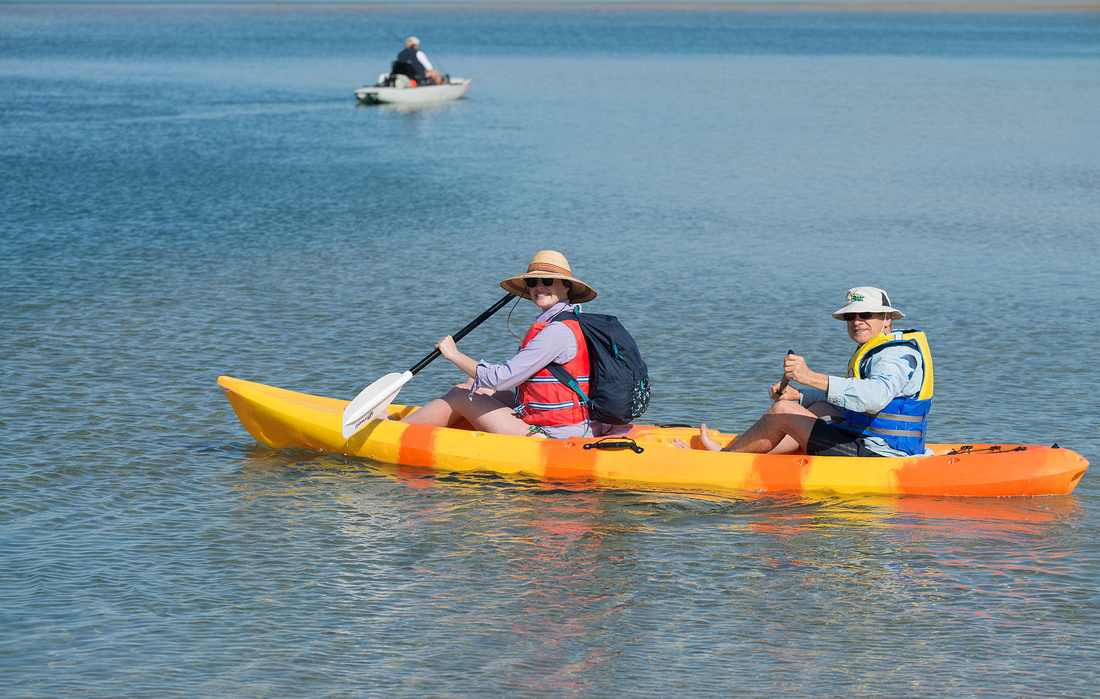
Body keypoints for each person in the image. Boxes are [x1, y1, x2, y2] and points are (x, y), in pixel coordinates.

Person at [679, 286, 933, 457]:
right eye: (850, 316)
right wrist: (800, 397)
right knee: (819, 409)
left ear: (887, 318)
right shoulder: (879, 349)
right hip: (870, 439)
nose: (857, 321)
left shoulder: (894, 356)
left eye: (865, 314)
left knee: (782, 411)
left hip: (880, 453)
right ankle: (757, 456)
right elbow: (856, 401)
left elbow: (874, 398)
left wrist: (808, 377)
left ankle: (724, 461)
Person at [400, 251, 607, 439]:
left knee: (460, 395)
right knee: (471, 383)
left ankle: (396, 431)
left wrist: (454, 354)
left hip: (556, 434)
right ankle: (439, 425)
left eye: (547, 280)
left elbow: (502, 380)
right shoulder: (570, 319)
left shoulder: (556, 331)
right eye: (533, 282)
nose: (539, 287)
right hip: (567, 420)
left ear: (566, 287)